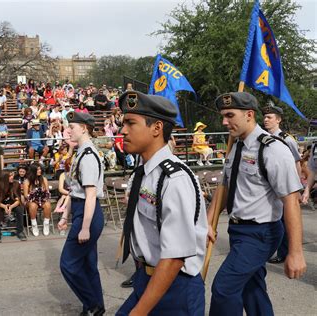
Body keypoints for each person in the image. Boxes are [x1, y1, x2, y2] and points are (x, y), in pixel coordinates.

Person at [208, 92, 306, 316]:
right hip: (237, 230)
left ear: (249, 114)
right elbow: (224, 186)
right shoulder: (236, 146)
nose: (224, 122)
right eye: (223, 116)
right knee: (252, 290)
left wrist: (296, 252)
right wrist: (208, 221)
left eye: (230, 115)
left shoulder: (273, 149)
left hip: (260, 234)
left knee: (224, 288)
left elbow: (291, 201)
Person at [115, 91, 207, 315]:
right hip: (146, 278)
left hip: (175, 287)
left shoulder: (174, 179)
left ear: (156, 128)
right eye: (122, 123)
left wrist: (139, 312)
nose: (122, 130)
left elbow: (175, 257)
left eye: (130, 123)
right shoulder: (145, 172)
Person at [58, 111, 105, 315]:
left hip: (88, 213)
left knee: (68, 263)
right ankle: (95, 307)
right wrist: (64, 215)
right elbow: (73, 191)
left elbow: (90, 194)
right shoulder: (80, 153)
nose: (69, 130)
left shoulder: (88, 155)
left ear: (84, 128)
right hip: (81, 209)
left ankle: (92, 303)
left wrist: (84, 227)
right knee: (88, 265)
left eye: (73, 127)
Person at [262, 104, 302, 264]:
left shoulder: (286, 139)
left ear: (278, 120)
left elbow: (297, 163)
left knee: (285, 221)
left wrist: (297, 188)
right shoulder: (263, 138)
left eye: (269, 117)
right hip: (269, 187)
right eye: (264, 117)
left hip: (285, 186)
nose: (265, 120)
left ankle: (284, 252)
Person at [0, 171, 27, 242]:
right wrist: (4, 206)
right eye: (10, 176)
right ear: (4, 178)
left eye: (12, 176)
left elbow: (18, 200)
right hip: (0, 203)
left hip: (13, 203)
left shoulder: (16, 184)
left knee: (20, 209)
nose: (12, 177)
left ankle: (20, 231)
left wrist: (11, 207)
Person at [23, 162, 52, 237]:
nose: (40, 171)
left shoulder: (44, 179)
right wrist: (33, 196)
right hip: (31, 200)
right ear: (33, 170)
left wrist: (44, 196)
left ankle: (46, 224)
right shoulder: (27, 181)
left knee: (48, 205)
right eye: (37, 169)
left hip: (42, 199)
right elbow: (26, 195)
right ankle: (34, 225)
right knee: (33, 206)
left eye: (40, 169)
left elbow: (47, 191)